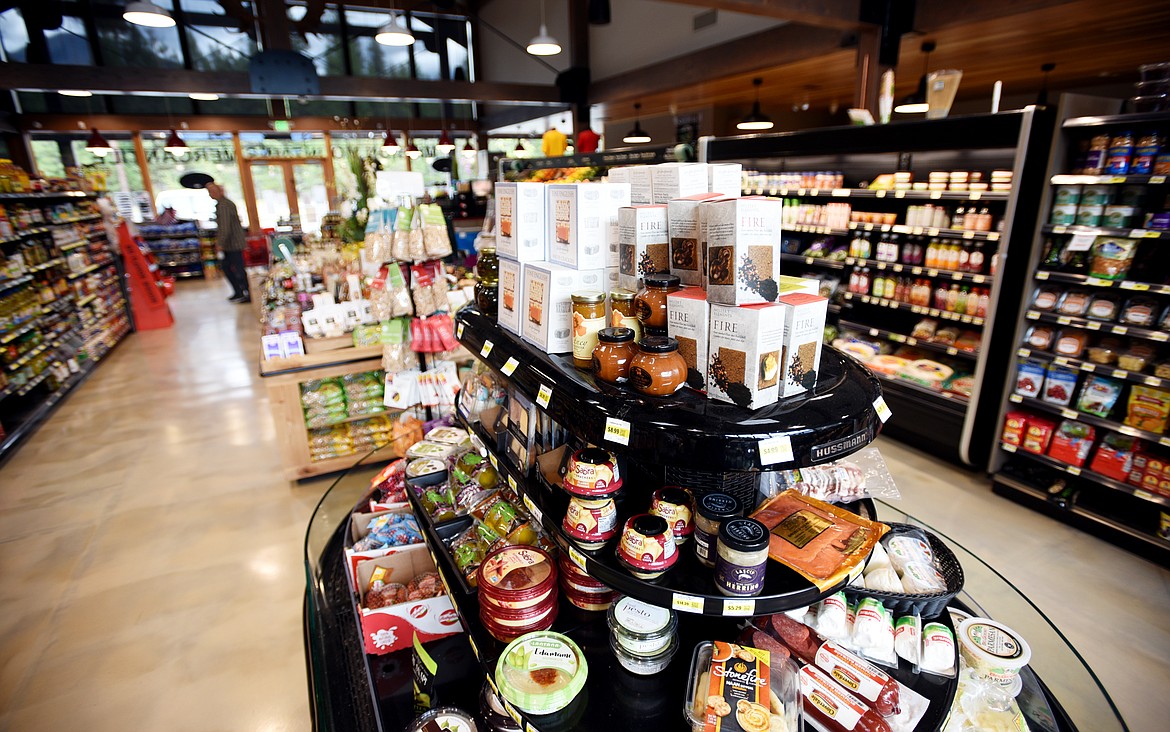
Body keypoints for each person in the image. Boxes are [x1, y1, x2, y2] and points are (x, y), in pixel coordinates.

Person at [205, 181, 250, 303]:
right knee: (233, 268)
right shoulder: (223, 204)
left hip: (232, 244)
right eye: (209, 192)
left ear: (220, 191)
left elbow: (225, 227)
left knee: (234, 269)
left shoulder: (224, 205)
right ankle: (241, 292)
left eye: (213, 191)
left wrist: (220, 243)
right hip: (231, 244)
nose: (210, 194)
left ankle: (244, 292)